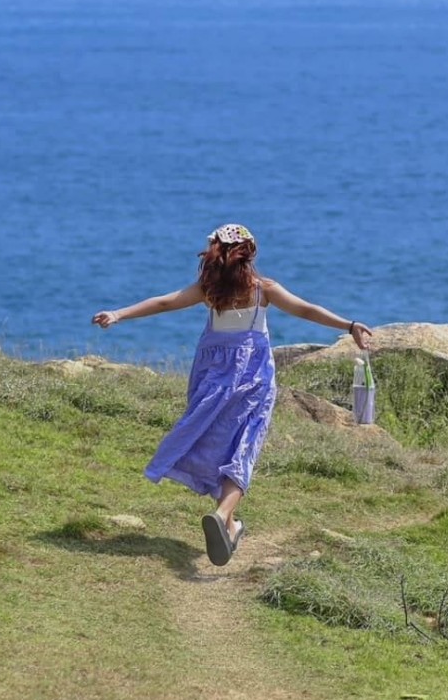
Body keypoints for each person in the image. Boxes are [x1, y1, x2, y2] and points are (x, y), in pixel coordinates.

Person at [92, 224, 375, 566]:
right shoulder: (263, 290)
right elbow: (306, 309)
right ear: (249, 255)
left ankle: (228, 523)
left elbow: (166, 302)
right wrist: (349, 325)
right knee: (245, 445)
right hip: (253, 380)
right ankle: (224, 513)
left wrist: (119, 314)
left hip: (212, 378)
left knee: (212, 439)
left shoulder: (208, 291)